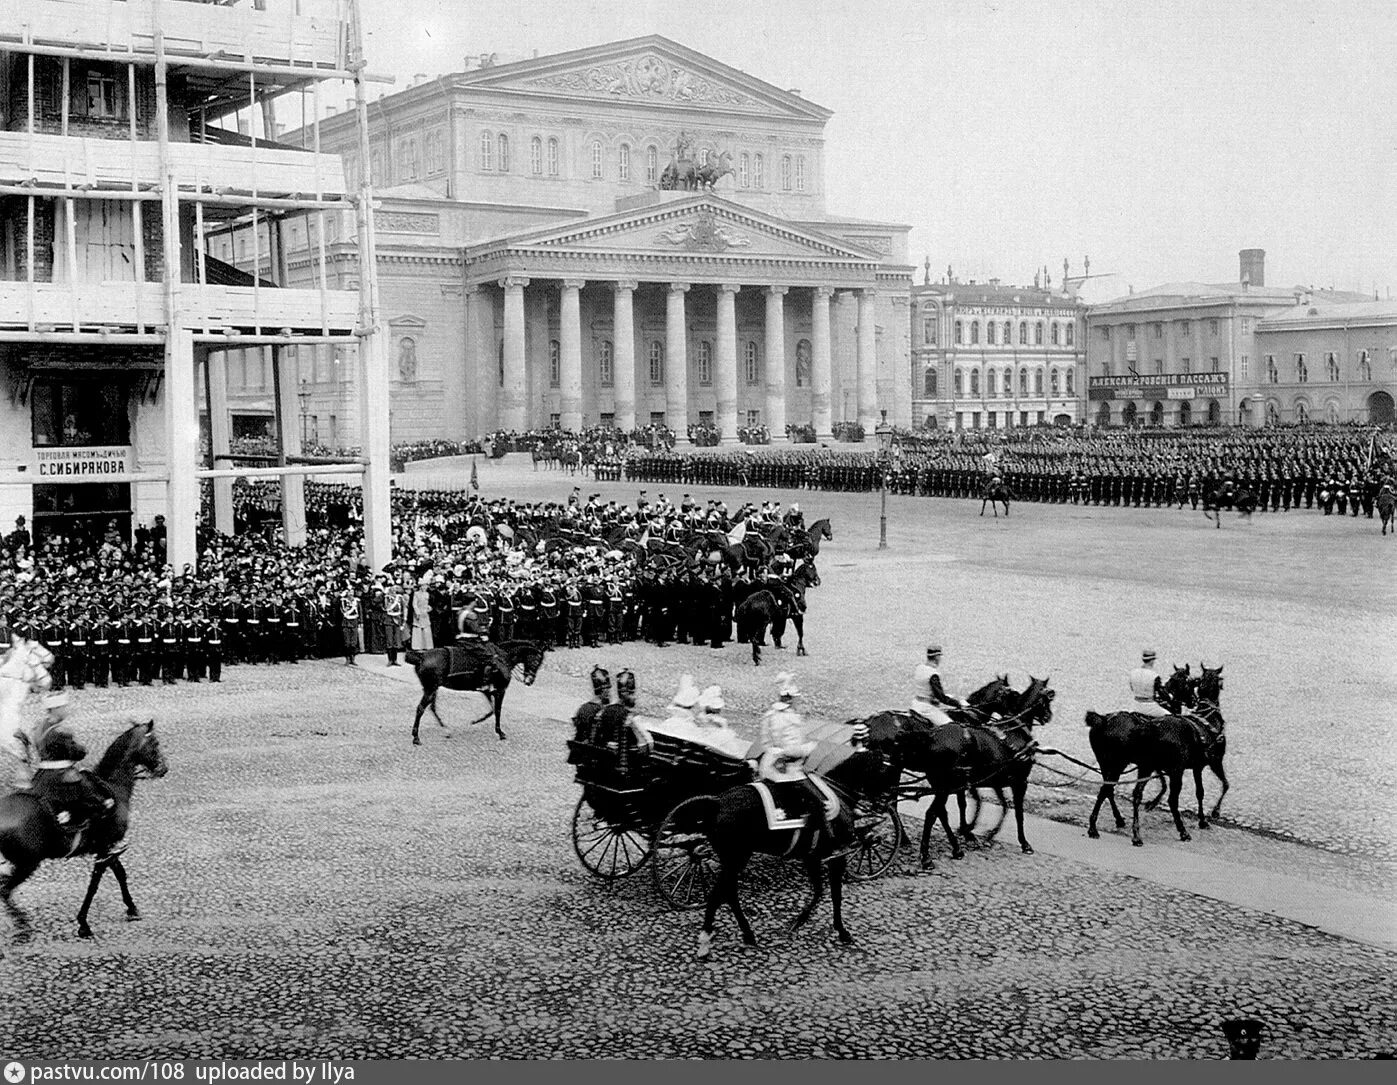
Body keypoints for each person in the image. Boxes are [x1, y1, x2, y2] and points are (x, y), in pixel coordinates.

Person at [28, 696, 119, 856]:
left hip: (41, 776)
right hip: (61, 776)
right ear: (54, 709)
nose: (65, 710)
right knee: (99, 802)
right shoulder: (60, 732)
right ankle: (101, 845)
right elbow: (78, 752)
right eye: (62, 707)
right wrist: (81, 749)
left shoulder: (39, 727)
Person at [756, 674, 835, 849]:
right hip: (788, 770)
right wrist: (810, 748)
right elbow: (792, 749)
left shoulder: (770, 715)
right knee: (817, 801)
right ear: (791, 700)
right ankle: (827, 839)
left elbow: (766, 742)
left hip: (769, 765)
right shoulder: (790, 719)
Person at [909, 645, 964, 725]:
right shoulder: (933, 674)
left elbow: (926, 689)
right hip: (926, 708)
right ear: (937, 657)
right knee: (950, 726)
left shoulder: (919, 668)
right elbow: (941, 698)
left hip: (916, 704)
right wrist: (957, 703)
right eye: (939, 656)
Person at [1128, 649, 1168, 716]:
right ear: (1152, 661)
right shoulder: (1154, 676)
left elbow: (1132, 688)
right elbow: (1163, 695)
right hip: (1149, 707)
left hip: (1135, 705)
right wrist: (1169, 697)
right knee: (1170, 717)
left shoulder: (1133, 673)